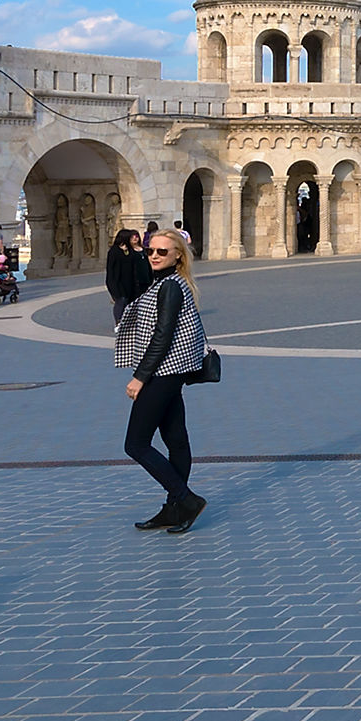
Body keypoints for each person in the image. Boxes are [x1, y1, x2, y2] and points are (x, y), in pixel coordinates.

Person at [117, 228, 209, 534]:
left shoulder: (170, 286)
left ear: (178, 255)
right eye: (150, 250)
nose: (154, 256)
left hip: (162, 373)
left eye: (162, 252)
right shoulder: (166, 282)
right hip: (172, 372)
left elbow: (163, 334)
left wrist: (139, 378)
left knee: (136, 444)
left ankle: (185, 499)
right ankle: (174, 508)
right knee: (175, 439)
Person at [103, 228, 150, 324]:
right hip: (118, 282)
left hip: (130, 282)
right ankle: (119, 321)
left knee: (130, 302)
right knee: (121, 301)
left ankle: (129, 321)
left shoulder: (129, 251)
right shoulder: (114, 251)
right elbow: (111, 269)